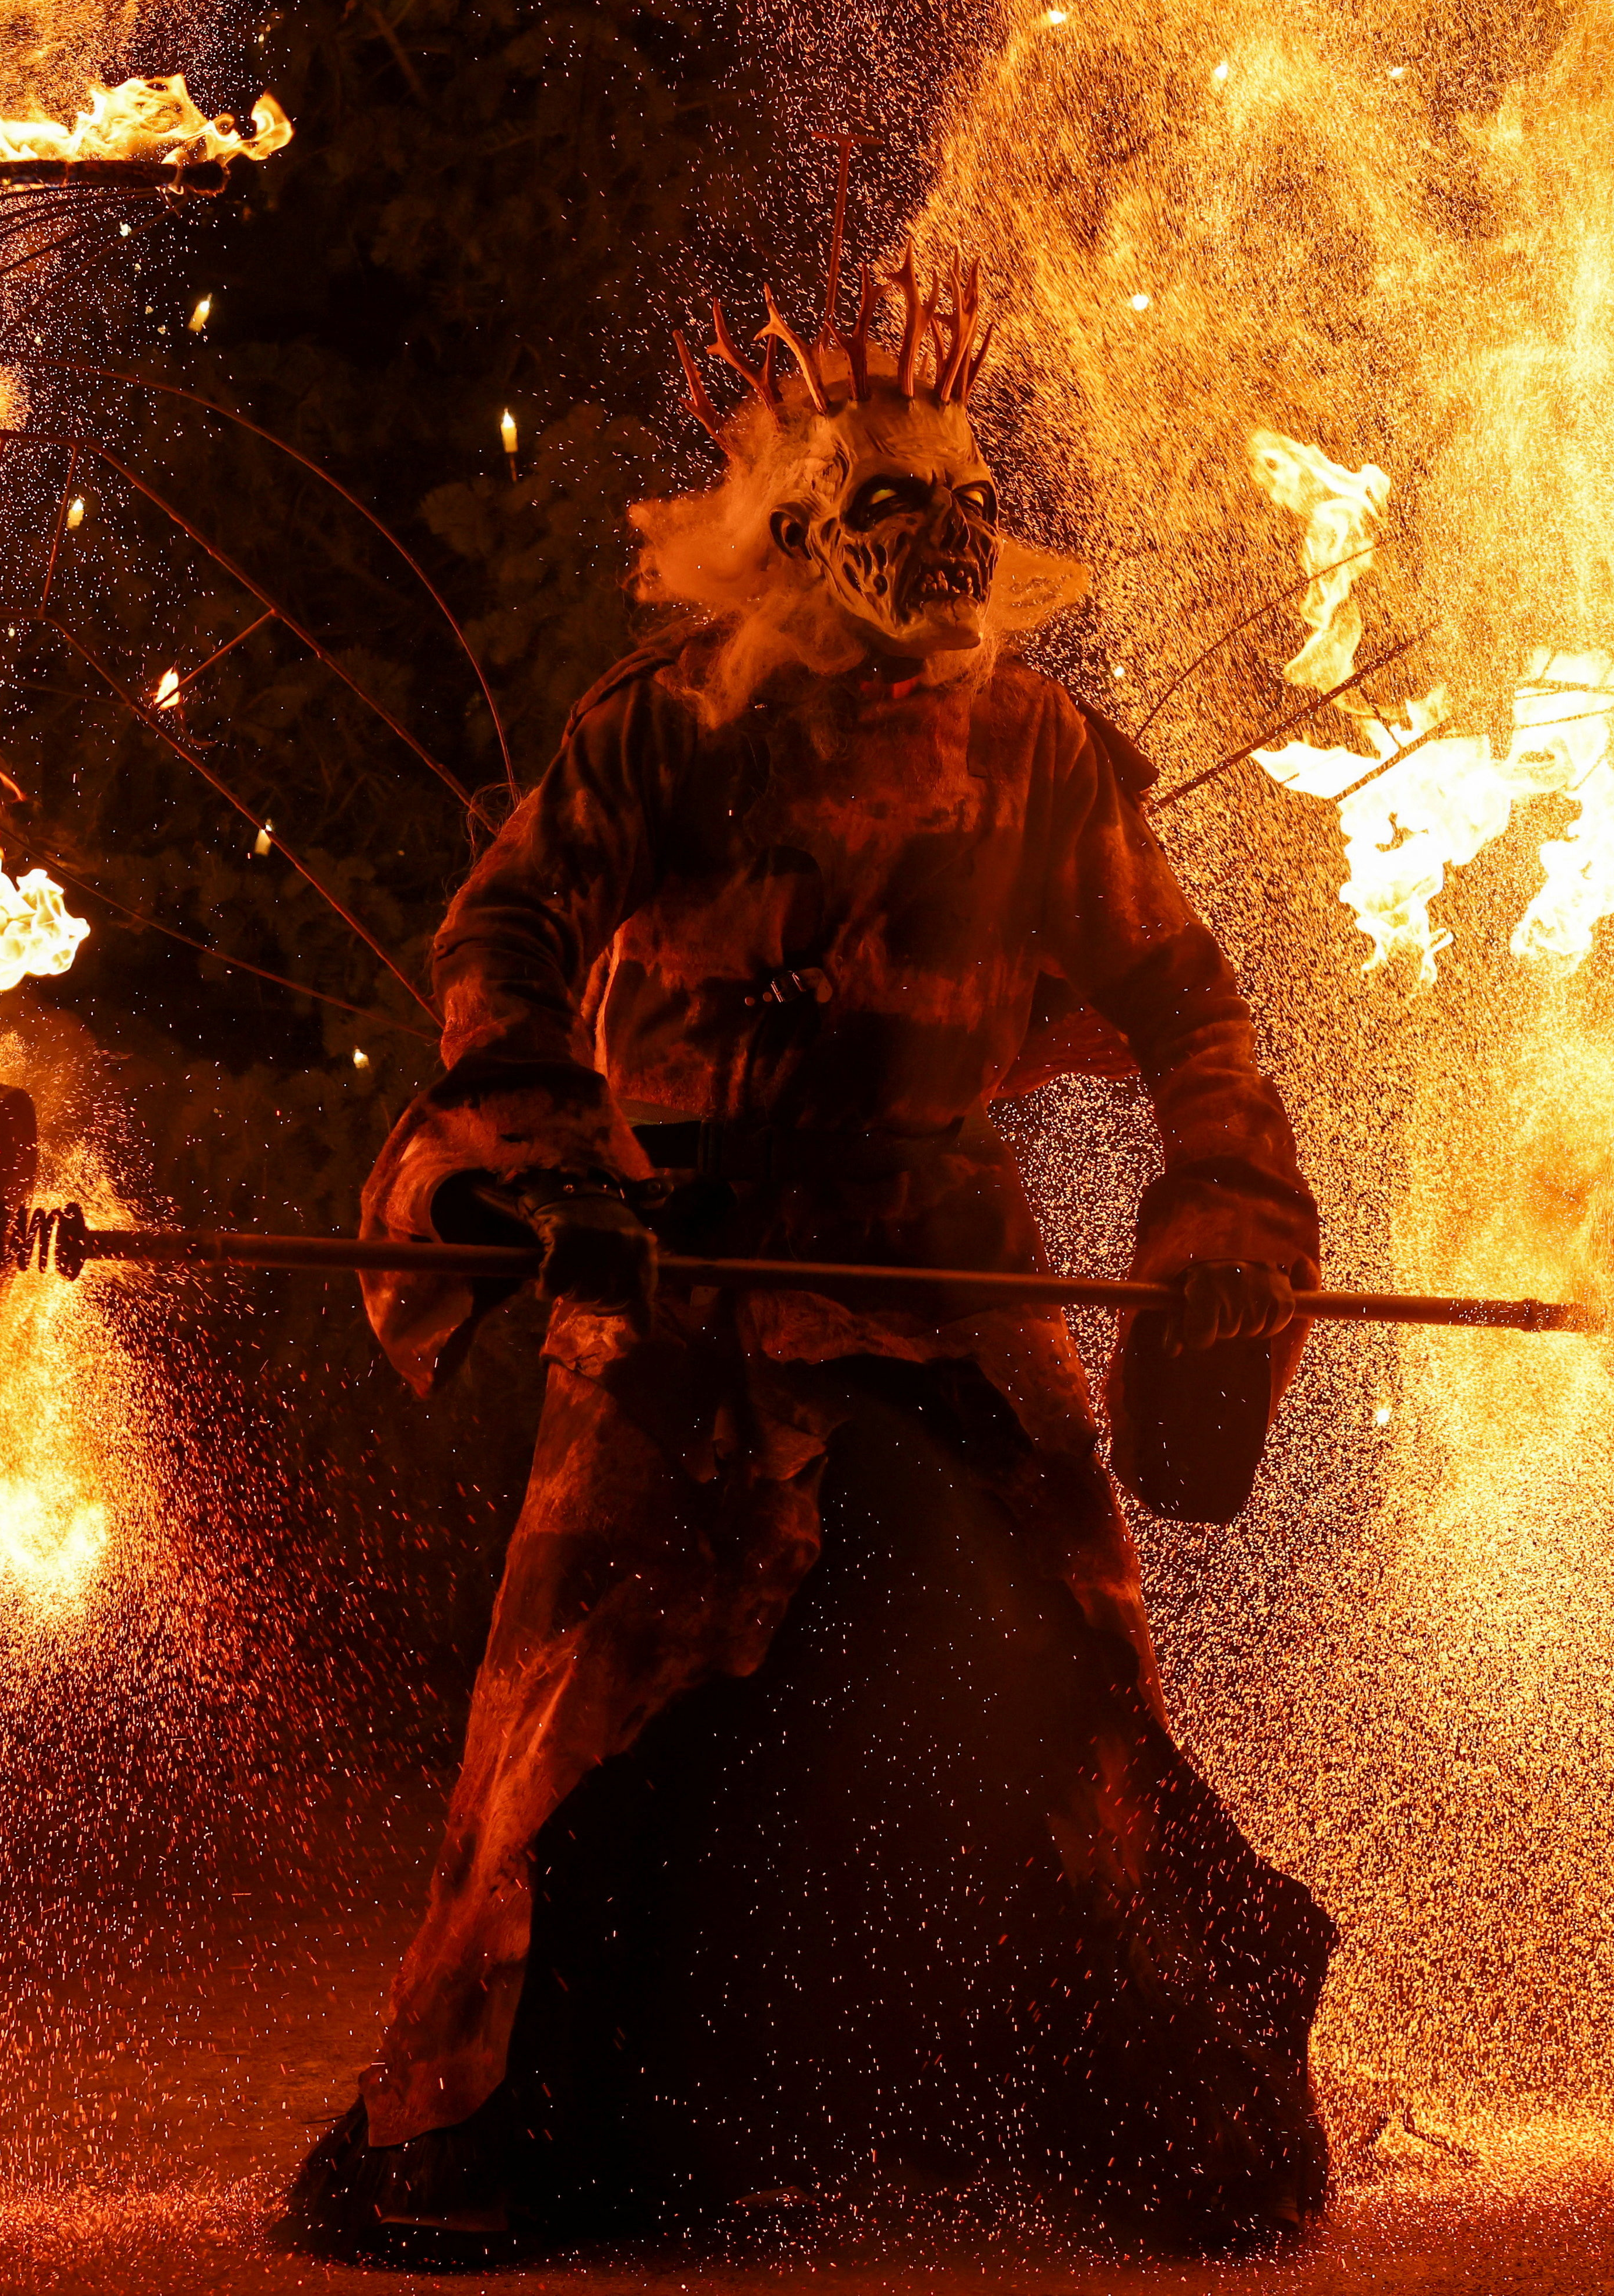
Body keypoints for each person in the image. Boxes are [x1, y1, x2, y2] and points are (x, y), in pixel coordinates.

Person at [283, 212, 1334, 2263]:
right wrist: (553, 1150)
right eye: (890, 508)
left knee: (1045, 1662)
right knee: (607, 1678)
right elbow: (505, 930)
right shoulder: (663, 726)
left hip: (938, 1264)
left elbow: (1188, 1006)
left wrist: (1224, 1198)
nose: (943, 544)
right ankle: (513, 2110)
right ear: (794, 533)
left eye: (966, 504)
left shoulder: (1038, 751)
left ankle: (1086, 2092)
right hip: (681, 1259)